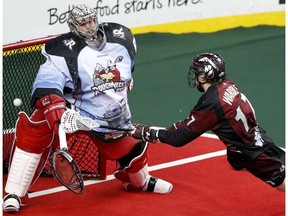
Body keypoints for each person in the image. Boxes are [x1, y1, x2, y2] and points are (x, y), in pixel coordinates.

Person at [3, 4, 172, 213]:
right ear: (73, 25)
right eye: (83, 23)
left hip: (107, 117)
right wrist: (58, 114)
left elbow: (128, 68)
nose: (89, 26)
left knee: (133, 149)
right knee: (35, 127)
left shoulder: (120, 37)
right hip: (71, 112)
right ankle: (14, 193)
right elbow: (46, 86)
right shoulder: (62, 50)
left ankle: (141, 182)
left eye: (91, 20)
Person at [131, 52, 285, 192]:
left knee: (283, 185)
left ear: (204, 76)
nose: (195, 76)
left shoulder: (211, 104)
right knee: (236, 162)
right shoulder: (227, 84)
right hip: (248, 139)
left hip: (253, 153)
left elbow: (179, 138)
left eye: (197, 73)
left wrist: (146, 132)